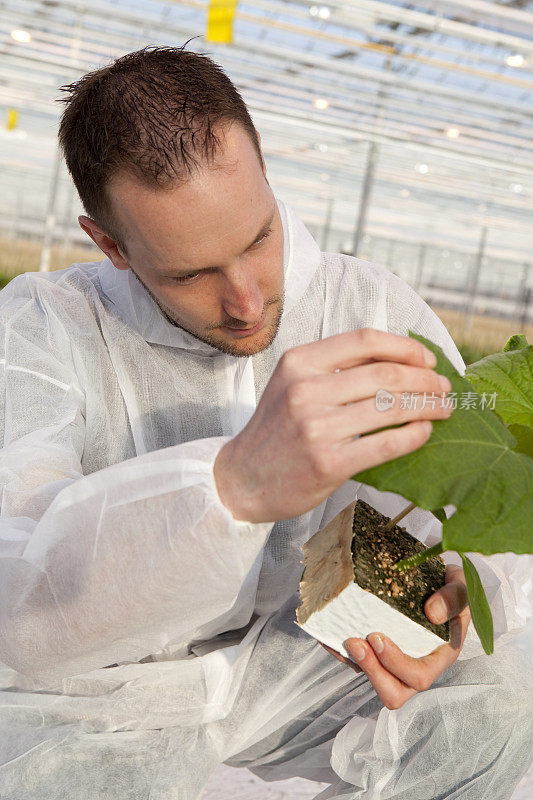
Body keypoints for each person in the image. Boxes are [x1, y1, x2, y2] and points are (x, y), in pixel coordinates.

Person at [0, 44, 531, 800]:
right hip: (100, 692)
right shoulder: (44, 327)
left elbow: (479, 508)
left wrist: (462, 598)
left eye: (258, 237)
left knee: (489, 711)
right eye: (190, 273)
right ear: (110, 244)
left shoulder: (370, 307)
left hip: (315, 659)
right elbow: (22, 595)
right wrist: (232, 488)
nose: (248, 301)